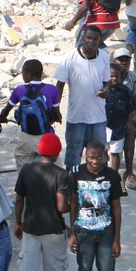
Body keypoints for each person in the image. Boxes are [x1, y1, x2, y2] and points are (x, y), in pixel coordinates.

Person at [66, 141, 123, 271]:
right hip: (83, 232)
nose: (95, 161)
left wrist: (116, 239)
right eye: (91, 157)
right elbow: (73, 202)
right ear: (85, 156)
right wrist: (72, 232)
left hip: (106, 233)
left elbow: (116, 207)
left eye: (98, 157)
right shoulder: (75, 173)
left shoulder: (113, 176)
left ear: (105, 155)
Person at [14, 133, 71, 271]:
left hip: (30, 227)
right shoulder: (61, 174)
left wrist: (18, 222)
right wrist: (73, 206)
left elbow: (19, 199)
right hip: (53, 229)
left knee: (27, 269)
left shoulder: (27, 169)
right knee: (54, 268)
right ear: (56, 154)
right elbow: (61, 207)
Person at [55, 25, 110, 169]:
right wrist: (55, 109)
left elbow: (107, 82)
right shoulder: (70, 57)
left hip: (98, 117)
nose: (91, 41)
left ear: (100, 41)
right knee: (73, 156)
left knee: (99, 156)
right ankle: (71, 186)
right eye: (88, 38)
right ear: (83, 38)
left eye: (95, 39)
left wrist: (106, 90)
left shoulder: (104, 57)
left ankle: (99, 186)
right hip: (77, 117)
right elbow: (59, 85)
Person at [0, 59, 62, 173]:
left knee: (21, 156)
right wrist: (57, 118)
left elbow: (6, 110)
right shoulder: (52, 89)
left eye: (23, 73)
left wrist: (1, 117)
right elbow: (57, 114)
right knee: (56, 165)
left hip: (26, 136)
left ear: (28, 75)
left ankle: (23, 184)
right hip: (46, 136)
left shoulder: (20, 90)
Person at [111, 49, 136, 191]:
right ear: (113, 62)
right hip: (109, 118)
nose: (123, 63)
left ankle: (129, 172)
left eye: (126, 60)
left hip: (127, 117)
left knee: (131, 134)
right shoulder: (107, 75)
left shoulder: (133, 78)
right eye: (120, 60)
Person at [105, 62, 136, 182]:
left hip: (119, 127)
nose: (113, 79)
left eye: (116, 76)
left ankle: (114, 176)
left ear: (120, 76)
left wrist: (130, 121)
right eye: (111, 76)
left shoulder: (125, 91)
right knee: (104, 151)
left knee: (116, 152)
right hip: (104, 127)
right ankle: (103, 174)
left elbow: (131, 107)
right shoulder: (103, 89)